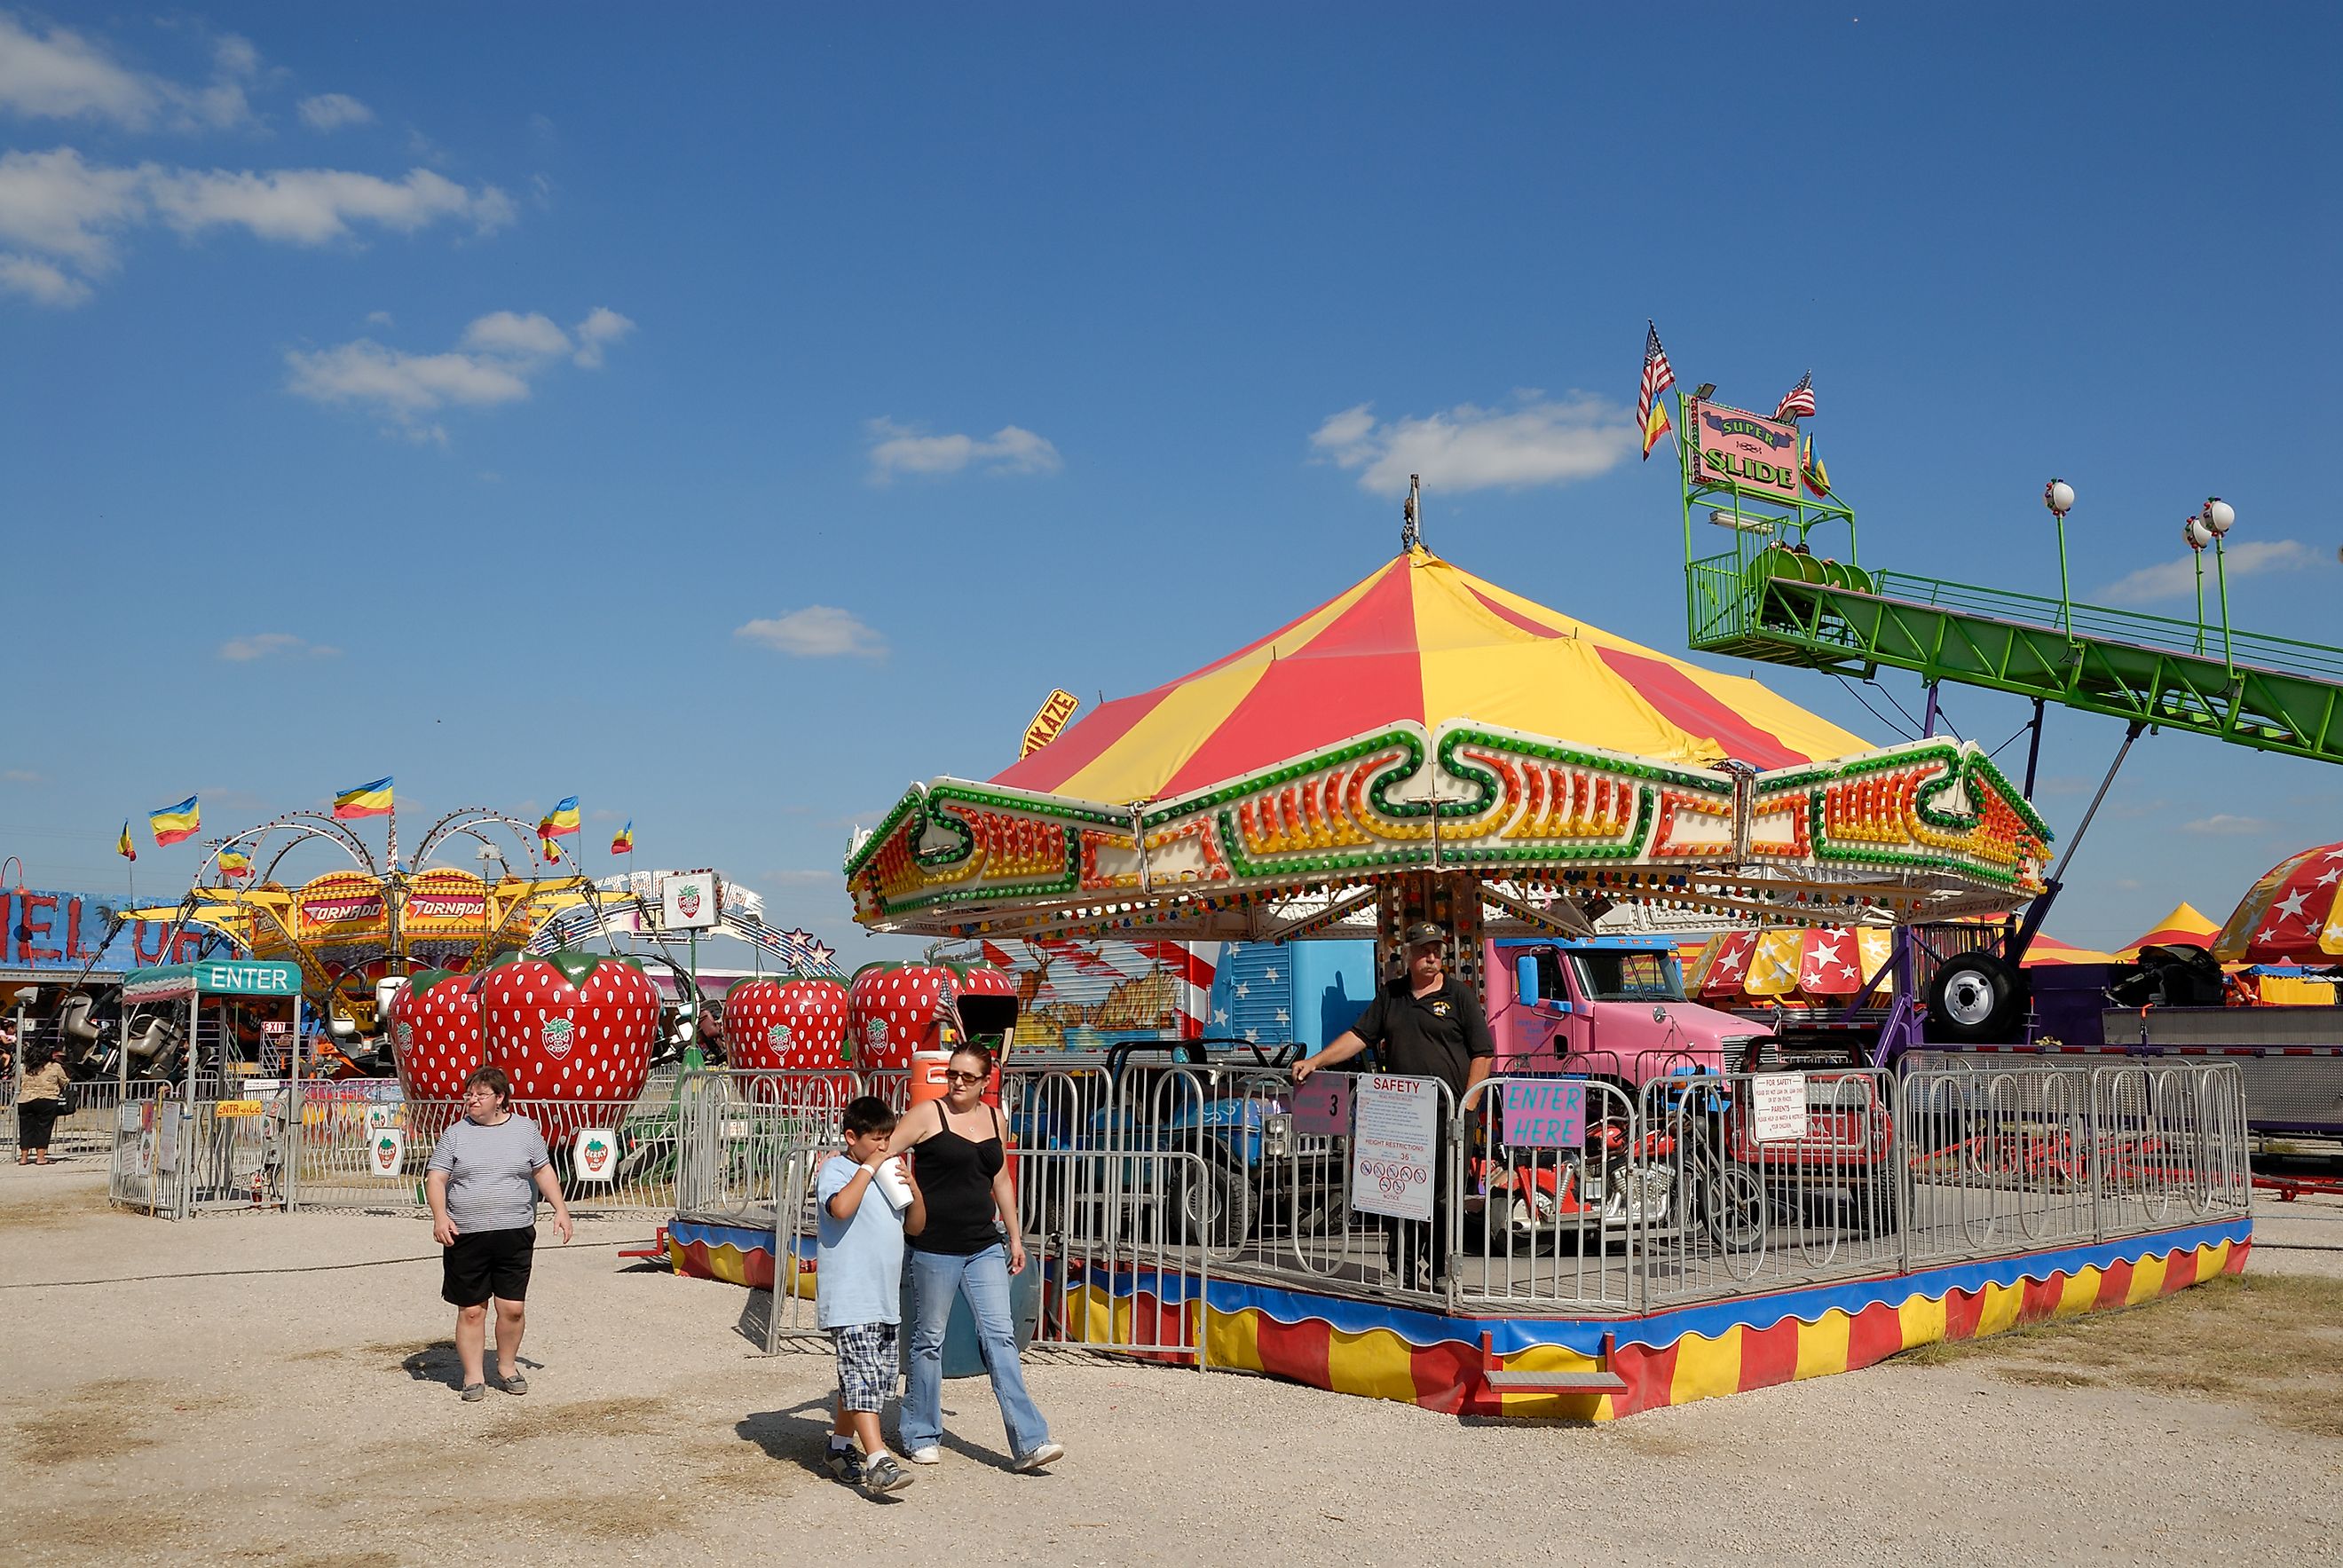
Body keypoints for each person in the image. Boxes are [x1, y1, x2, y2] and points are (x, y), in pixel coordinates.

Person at [887, 1041, 1064, 1472]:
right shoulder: (928, 1114)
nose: (958, 1082)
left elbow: (1000, 1179)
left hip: (985, 1244)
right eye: (953, 1074)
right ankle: (921, 1432)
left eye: (968, 1076)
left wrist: (1016, 1238)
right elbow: (883, 1151)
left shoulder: (995, 1118)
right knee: (929, 1340)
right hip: (934, 1245)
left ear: (987, 1081)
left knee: (1000, 1338)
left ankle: (1030, 1441)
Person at [1292, 923, 1494, 1288]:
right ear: (1409, 955)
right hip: (1401, 1116)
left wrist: (1468, 1105)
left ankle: (1441, 1271)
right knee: (1398, 1194)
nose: (1431, 956)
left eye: (1436, 949)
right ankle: (1401, 1268)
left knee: (1443, 1197)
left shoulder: (1459, 995)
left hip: (1449, 1115)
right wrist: (1317, 1061)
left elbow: (1483, 1054)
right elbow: (1358, 1036)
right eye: (1423, 950)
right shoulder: (1392, 995)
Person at [424, 1066, 574, 1401]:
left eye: (480, 1095)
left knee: (512, 1308)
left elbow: (542, 1170)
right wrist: (439, 1217)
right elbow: (436, 1179)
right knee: (472, 1309)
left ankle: (507, 1367)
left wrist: (560, 1209)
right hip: (467, 1233)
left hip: (515, 1232)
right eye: (468, 1095)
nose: (471, 1101)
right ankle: (473, 1376)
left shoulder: (525, 1130)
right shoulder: (455, 1134)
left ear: (501, 1098)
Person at [816, 1095, 918, 1496]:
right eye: (876, 1139)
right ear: (851, 1137)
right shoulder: (836, 1169)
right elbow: (840, 1208)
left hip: (883, 1297)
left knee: (874, 1380)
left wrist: (915, 1190)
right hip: (850, 1295)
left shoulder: (887, 1170)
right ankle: (878, 1459)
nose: (883, 1146)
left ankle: (839, 1447)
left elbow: (915, 1226)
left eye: (887, 1138)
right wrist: (869, 1167)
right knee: (862, 1375)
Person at [15, 1046, 70, 1166]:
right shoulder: (54, 1067)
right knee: (43, 1128)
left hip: (25, 1099)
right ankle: (40, 1158)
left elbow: (17, 1082)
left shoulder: (26, 1067)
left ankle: (23, 1158)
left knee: (25, 1129)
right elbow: (64, 1080)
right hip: (47, 1098)